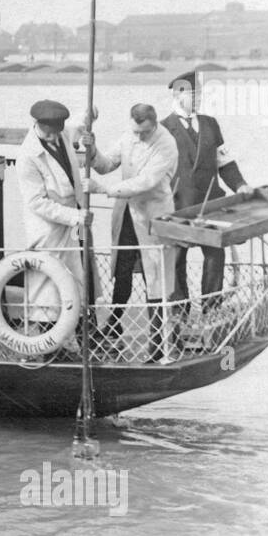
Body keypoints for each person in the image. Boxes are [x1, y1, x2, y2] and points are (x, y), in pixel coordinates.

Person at [83, 103, 179, 361]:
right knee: (122, 271)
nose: (139, 137)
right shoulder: (129, 135)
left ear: (154, 124)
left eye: (144, 132)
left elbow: (146, 182)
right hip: (126, 213)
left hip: (153, 217)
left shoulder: (166, 143)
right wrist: (92, 150)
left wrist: (102, 189)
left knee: (155, 281)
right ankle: (113, 327)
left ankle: (158, 343)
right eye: (136, 131)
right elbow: (105, 164)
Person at [161, 71, 253, 310]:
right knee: (177, 259)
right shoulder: (162, 129)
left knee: (215, 254)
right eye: (195, 94)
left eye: (200, 93)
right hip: (178, 206)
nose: (200, 98)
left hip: (211, 204)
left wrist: (240, 184)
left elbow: (225, 162)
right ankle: (179, 312)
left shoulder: (211, 124)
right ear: (179, 95)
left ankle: (211, 308)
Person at [14, 99, 92, 334]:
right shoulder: (27, 157)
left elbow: (80, 122)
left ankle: (80, 332)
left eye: (57, 133)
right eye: (49, 134)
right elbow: (37, 202)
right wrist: (75, 216)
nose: (54, 138)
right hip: (49, 229)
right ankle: (49, 339)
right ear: (38, 124)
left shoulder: (63, 134)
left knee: (80, 272)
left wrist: (91, 115)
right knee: (49, 287)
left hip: (75, 222)